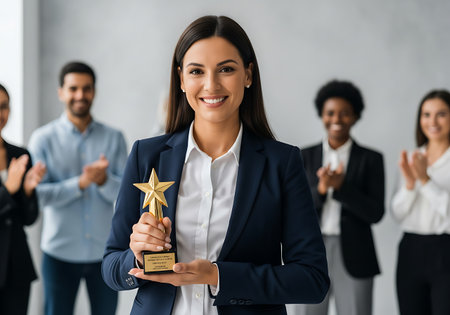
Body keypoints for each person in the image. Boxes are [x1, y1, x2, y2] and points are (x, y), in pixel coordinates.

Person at [102, 15, 329, 315]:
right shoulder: (147, 155)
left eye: (226, 69)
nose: (211, 84)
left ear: (248, 75)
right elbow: (110, 268)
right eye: (197, 71)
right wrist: (136, 257)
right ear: (181, 79)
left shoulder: (282, 163)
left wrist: (217, 276)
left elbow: (312, 279)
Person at [28, 62, 128, 315]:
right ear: (61, 92)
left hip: (105, 253)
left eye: (86, 89)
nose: (80, 95)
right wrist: (79, 184)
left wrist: (104, 181)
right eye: (73, 89)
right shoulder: (42, 139)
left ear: (94, 91)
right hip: (58, 253)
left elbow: (127, 195)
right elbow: (37, 196)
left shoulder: (114, 138)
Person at [294, 80, 384, 315]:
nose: (337, 119)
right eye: (330, 113)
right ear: (321, 115)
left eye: (345, 113)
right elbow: (294, 211)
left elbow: (375, 213)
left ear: (355, 116)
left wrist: (342, 188)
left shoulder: (371, 159)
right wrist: (322, 189)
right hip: (311, 252)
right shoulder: (304, 156)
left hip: (355, 254)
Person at [392, 90, 450, 315]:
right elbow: (397, 215)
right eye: (426, 114)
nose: (432, 122)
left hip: (445, 250)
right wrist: (409, 184)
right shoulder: (412, 158)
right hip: (410, 250)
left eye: (441, 114)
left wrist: (424, 181)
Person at [0, 83, 46, 315]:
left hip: (17, 266)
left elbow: (28, 218)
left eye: (4, 107)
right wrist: (8, 189)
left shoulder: (20, 154)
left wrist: (27, 190)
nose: (0, 114)